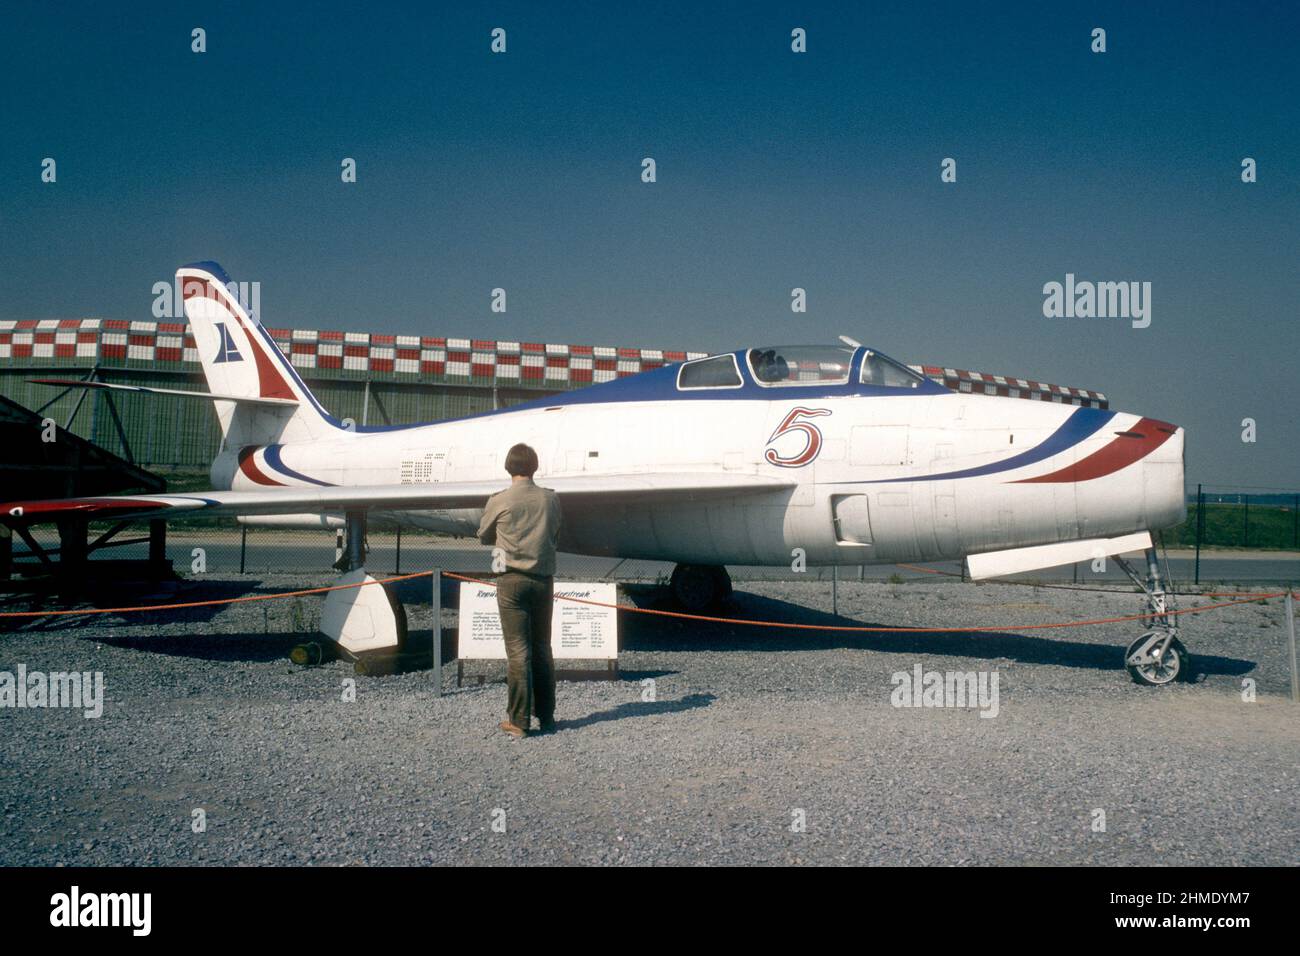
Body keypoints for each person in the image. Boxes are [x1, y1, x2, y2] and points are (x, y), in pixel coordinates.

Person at [476, 443, 563, 738]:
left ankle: (519, 721)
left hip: (511, 581)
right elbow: (555, 533)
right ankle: (547, 717)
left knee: (518, 652)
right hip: (542, 581)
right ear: (535, 467)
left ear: (508, 467)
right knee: (542, 648)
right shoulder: (551, 499)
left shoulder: (500, 500)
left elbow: (484, 535)